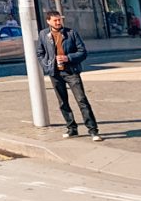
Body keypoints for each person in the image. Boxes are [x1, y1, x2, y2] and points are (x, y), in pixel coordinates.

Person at [36, 11, 101, 142]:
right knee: (62, 102)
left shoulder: (71, 33)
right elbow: (40, 52)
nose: (58, 22)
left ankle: (93, 130)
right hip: (55, 73)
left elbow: (82, 52)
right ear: (48, 21)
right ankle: (72, 128)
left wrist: (68, 57)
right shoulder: (43, 34)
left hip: (71, 72)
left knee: (82, 100)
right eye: (55, 20)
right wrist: (46, 65)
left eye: (59, 20)